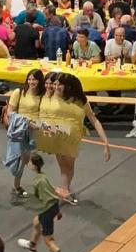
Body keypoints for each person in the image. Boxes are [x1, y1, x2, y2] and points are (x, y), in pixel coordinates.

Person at [35, 73, 110, 204]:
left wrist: (106, 142)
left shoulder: (81, 100)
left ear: (69, 86)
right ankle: (65, 190)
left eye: (59, 84)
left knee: (68, 166)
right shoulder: (54, 96)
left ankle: (65, 189)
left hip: (72, 137)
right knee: (63, 166)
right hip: (57, 136)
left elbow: (94, 119)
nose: (55, 86)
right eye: (55, 84)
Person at [1, 68, 49, 196]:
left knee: (28, 159)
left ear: (40, 81)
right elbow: (10, 112)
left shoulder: (43, 96)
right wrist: (25, 120)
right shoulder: (19, 92)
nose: (31, 82)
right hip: (20, 130)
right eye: (29, 79)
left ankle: (37, 183)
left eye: (34, 79)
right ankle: (18, 186)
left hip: (33, 131)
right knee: (21, 160)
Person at [19, 152, 64, 252]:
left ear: (34, 166)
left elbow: (37, 198)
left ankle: (57, 251)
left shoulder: (36, 182)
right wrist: (57, 211)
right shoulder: (43, 176)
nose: (28, 164)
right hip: (54, 205)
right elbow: (52, 192)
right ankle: (32, 245)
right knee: (36, 222)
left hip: (46, 210)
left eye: (30, 162)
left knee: (48, 240)